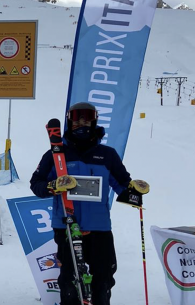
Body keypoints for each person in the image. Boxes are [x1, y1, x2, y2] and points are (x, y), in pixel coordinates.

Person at [30, 102, 149, 305]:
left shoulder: (107, 155)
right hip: (66, 224)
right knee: (70, 279)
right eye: (76, 120)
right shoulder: (55, 155)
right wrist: (53, 185)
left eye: (86, 119)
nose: (81, 124)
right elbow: (36, 184)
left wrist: (133, 192)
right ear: (69, 122)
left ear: (94, 121)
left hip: (99, 227)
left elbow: (121, 184)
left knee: (103, 278)